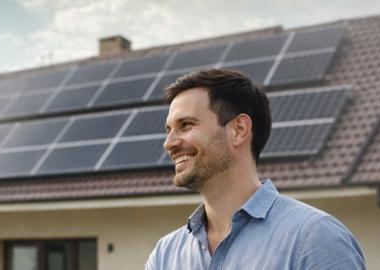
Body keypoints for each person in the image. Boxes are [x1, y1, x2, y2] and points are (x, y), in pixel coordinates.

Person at [146, 69, 365, 269]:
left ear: (239, 130)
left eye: (186, 125)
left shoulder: (315, 239)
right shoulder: (165, 255)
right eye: (169, 129)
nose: (169, 143)